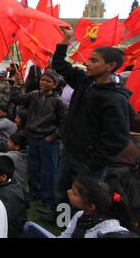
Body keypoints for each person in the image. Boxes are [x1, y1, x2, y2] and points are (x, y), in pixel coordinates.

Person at [52, 28, 133, 207]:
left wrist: (93, 162)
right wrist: (66, 39)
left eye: (94, 61)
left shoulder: (115, 99)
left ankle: (78, 226)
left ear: (110, 66)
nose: (87, 64)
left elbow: (117, 139)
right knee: (63, 192)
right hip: (69, 152)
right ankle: (61, 222)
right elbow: (59, 64)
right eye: (89, 59)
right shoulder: (85, 82)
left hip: (88, 162)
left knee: (84, 199)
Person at [12, 71, 68, 215]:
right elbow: (18, 99)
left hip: (48, 140)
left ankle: (48, 200)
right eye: (43, 80)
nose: (44, 83)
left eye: (48, 81)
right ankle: (35, 192)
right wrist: (18, 84)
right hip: (33, 137)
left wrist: (54, 136)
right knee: (34, 167)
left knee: (49, 171)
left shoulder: (58, 101)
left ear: (55, 85)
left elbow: (65, 122)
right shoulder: (34, 95)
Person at [23, 177, 136, 238]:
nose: (68, 192)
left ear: (91, 206)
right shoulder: (80, 215)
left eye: (75, 193)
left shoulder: (109, 232)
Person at [0, 156, 28, 238]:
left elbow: (1, 219)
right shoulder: (3, 181)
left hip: (11, 229)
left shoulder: (10, 197)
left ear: (3, 177)